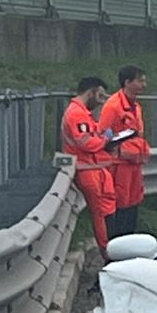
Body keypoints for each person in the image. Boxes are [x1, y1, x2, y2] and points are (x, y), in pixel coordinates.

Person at [62, 76, 118, 253]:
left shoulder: (83, 114)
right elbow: (86, 143)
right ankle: (107, 250)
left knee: (106, 209)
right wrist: (105, 139)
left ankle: (110, 246)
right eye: (100, 96)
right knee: (99, 213)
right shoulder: (76, 114)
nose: (101, 102)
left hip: (94, 168)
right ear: (91, 92)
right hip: (86, 169)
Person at [97, 65, 150, 239]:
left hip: (134, 164)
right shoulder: (113, 106)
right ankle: (118, 244)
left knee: (133, 204)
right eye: (140, 81)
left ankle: (130, 241)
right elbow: (103, 135)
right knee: (121, 206)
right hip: (118, 166)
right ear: (127, 82)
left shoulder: (136, 106)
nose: (144, 84)